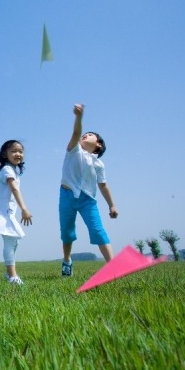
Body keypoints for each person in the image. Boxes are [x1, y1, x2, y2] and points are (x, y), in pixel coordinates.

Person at [59, 104, 118, 276]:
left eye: (90, 135)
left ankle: (112, 267)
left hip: (88, 200)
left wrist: (111, 205)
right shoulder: (73, 150)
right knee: (67, 231)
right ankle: (67, 260)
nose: (85, 135)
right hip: (67, 196)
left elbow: (103, 185)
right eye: (85, 133)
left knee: (97, 230)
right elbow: (77, 133)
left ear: (98, 145)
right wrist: (78, 117)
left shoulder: (99, 164)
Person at [0, 140, 32, 285]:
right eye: (13, 151)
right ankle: (12, 276)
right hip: (2, 213)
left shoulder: (13, 171)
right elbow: (14, 189)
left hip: (8, 212)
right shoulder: (7, 170)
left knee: (14, 242)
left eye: (20, 151)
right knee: (10, 241)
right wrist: (24, 208)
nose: (18, 154)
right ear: (4, 154)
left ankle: (9, 274)